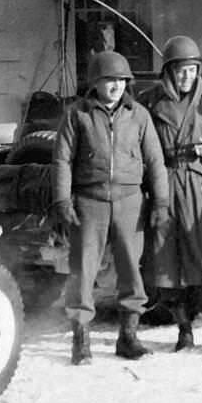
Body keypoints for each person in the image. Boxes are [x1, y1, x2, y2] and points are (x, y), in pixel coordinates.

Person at [52, 50, 169, 366]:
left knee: (131, 267)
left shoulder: (139, 115)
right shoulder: (78, 115)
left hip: (130, 201)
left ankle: (128, 336)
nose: (115, 86)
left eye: (120, 80)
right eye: (108, 80)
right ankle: (81, 339)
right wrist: (62, 201)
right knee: (83, 268)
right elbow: (62, 160)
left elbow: (155, 160)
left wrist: (160, 201)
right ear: (95, 83)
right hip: (90, 201)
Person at [137, 36, 202, 353]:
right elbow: (139, 142)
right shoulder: (150, 101)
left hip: (201, 189)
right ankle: (183, 330)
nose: (186, 78)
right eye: (180, 71)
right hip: (165, 185)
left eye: (192, 70)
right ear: (168, 71)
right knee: (169, 263)